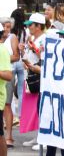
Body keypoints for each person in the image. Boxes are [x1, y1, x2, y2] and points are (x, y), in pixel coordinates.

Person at [21, 12, 47, 150]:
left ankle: (43, 139)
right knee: (34, 108)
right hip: (30, 74)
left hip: (39, 76)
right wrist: (23, 51)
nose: (29, 27)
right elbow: (28, 56)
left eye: (31, 25)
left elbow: (44, 57)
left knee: (41, 107)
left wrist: (33, 49)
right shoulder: (32, 38)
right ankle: (38, 136)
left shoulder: (45, 38)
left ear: (38, 26)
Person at [0, 18, 17, 148]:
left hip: (0, 95)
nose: (7, 29)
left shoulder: (3, 49)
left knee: (0, 135)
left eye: (8, 27)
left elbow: (8, 74)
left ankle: (9, 138)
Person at [9, 9, 26, 129]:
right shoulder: (25, 31)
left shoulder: (10, 32)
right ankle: (21, 116)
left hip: (12, 60)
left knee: (9, 90)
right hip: (22, 61)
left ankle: (11, 115)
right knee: (21, 90)